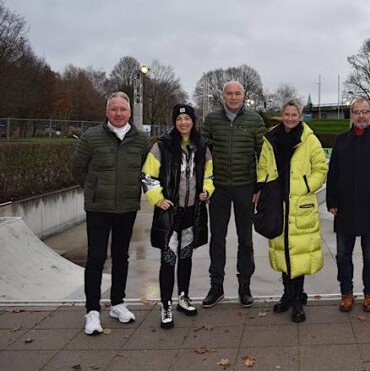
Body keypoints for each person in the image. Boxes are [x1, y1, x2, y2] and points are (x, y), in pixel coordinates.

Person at [71, 91, 149, 335]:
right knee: (95, 258)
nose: (118, 113)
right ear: (107, 112)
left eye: (123, 109)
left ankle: (117, 303)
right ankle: (92, 311)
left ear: (129, 112)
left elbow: (146, 171)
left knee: (121, 257)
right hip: (98, 208)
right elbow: (78, 168)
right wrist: (95, 190)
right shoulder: (91, 137)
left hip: (126, 208)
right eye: (114, 109)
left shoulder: (140, 140)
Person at [141, 104, 215, 328]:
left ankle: (183, 296)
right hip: (169, 213)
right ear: (175, 121)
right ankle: (166, 305)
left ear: (193, 121)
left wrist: (207, 191)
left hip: (192, 212)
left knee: (186, 257)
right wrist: (158, 198)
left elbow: (210, 175)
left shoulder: (202, 146)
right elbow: (147, 176)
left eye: (187, 118)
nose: (184, 122)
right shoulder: (162, 146)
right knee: (168, 258)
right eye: (179, 118)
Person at [255, 101, 328, 322]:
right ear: (281, 116)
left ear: (300, 116)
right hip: (277, 201)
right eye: (286, 114)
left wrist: (306, 187)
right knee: (282, 249)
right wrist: (262, 188)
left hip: (300, 203)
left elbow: (321, 168)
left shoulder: (309, 139)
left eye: (294, 114)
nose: (290, 118)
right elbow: (263, 167)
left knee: (298, 252)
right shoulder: (270, 139)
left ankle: (297, 299)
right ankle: (288, 293)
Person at [327, 98, 370, 312]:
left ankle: (369, 294)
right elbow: (334, 173)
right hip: (346, 207)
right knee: (342, 255)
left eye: (365, 111)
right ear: (352, 115)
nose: (361, 116)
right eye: (356, 112)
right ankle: (346, 293)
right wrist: (332, 200)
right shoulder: (341, 140)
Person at [201, 81, 266, 308]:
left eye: (237, 93)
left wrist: (260, 187)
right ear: (222, 95)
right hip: (218, 189)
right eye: (229, 93)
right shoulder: (211, 120)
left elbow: (263, 155)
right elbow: (203, 154)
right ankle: (216, 286)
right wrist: (205, 185)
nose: (233, 97)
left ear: (244, 95)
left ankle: (244, 286)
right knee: (217, 239)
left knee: (245, 239)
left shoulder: (255, 120)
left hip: (245, 187)